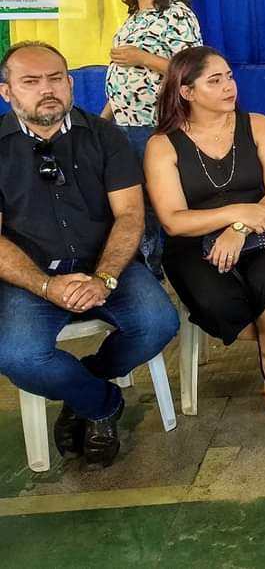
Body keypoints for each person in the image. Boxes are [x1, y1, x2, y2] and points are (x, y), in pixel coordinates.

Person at [0, 42, 179, 467]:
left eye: (56, 79)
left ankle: (80, 389)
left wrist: (104, 278)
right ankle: (101, 403)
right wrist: (46, 285)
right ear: (7, 92)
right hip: (31, 276)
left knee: (158, 324)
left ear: (71, 83)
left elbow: (131, 214)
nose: (47, 89)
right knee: (18, 356)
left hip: (106, 265)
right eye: (31, 81)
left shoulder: (103, 136)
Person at [144, 47, 265, 411]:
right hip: (194, 242)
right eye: (214, 81)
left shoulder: (258, 125)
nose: (229, 86)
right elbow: (173, 219)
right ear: (187, 92)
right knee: (217, 303)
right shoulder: (162, 145)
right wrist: (235, 212)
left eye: (229, 77)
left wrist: (240, 227)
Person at [103, 0, 203, 278]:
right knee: (129, 198)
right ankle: (140, 266)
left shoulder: (175, 14)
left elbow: (192, 68)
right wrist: (105, 119)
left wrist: (142, 58)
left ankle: (153, 271)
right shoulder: (134, 18)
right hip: (123, 124)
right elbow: (124, 77)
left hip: (154, 125)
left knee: (152, 201)